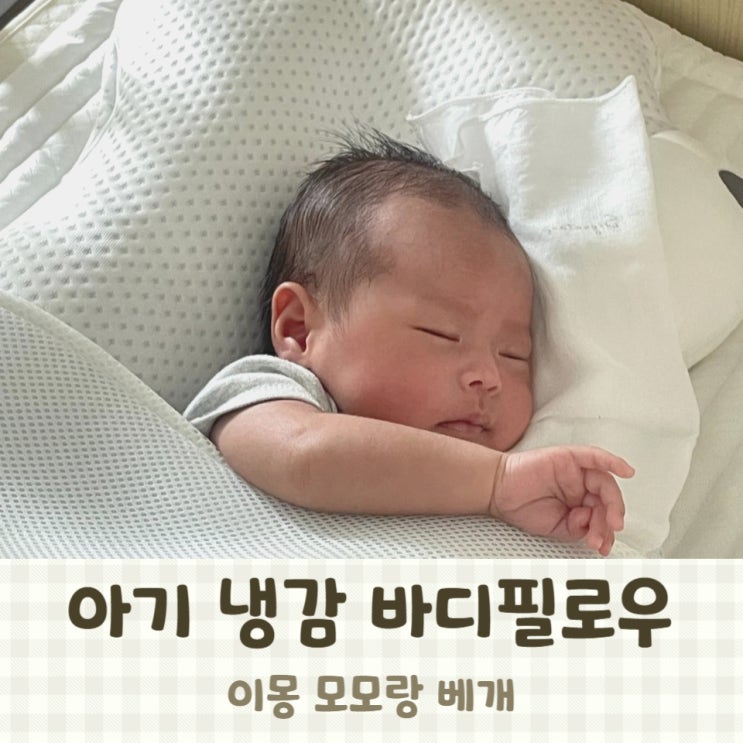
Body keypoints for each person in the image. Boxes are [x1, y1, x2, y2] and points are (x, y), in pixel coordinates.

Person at [184, 129, 633, 555]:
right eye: (442, 333)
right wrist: (495, 483)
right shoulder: (271, 393)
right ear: (299, 329)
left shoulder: (510, 480)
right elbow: (304, 454)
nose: (489, 376)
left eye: (513, 354)